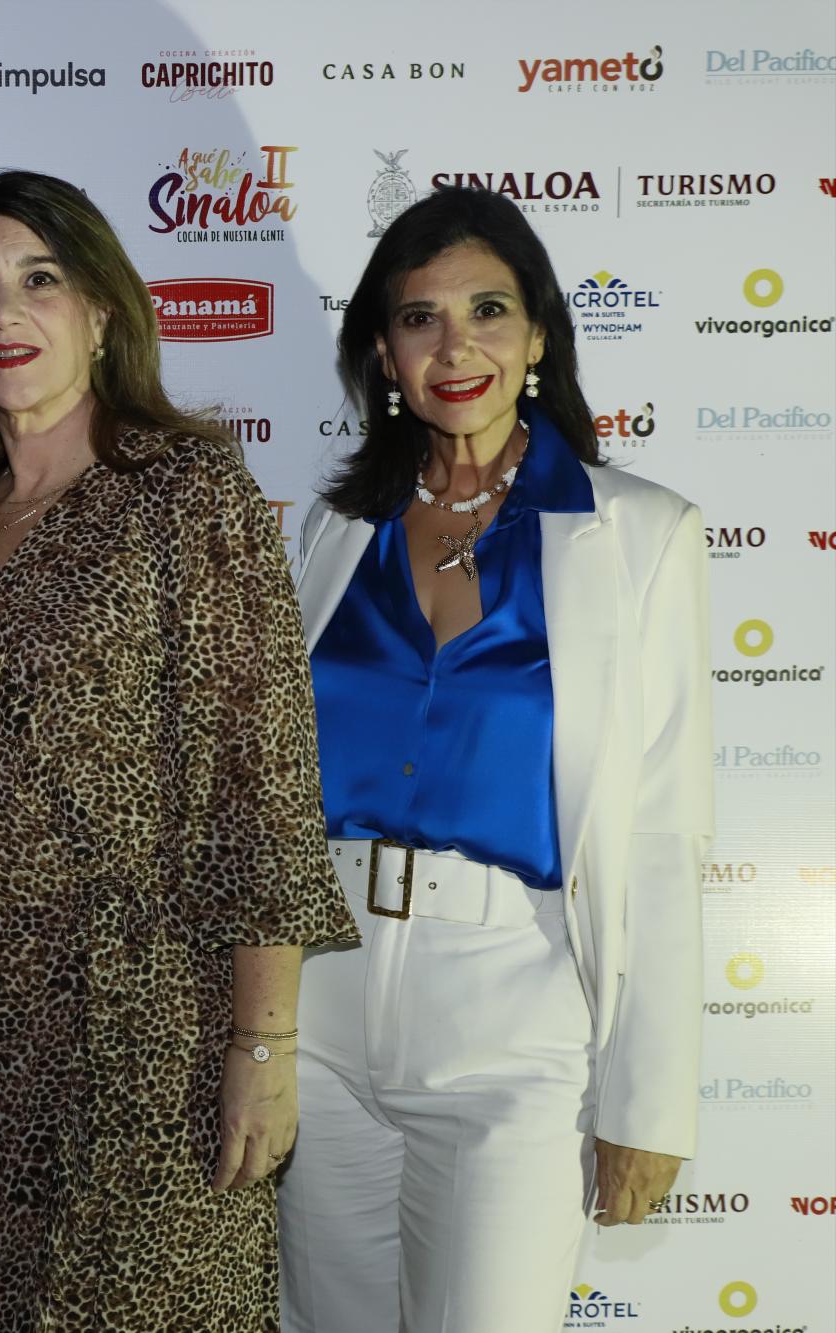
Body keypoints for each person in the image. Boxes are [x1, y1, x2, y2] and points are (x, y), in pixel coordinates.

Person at [0, 169, 354, 1331]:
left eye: (39, 280)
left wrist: (262, 1040)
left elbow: (258, 778)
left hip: (133, 1035)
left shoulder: (184, 493)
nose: (4, 313)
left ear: (102, 313)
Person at [278, 187, 712, 1333]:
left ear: (536, 338)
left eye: (485, 310)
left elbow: (659, 831)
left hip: (512, 1026)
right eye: (417, 317)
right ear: (381, 354)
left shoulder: (641, 535)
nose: (453, 346)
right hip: (318, 1014)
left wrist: (645, 1099)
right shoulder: (330, 531)